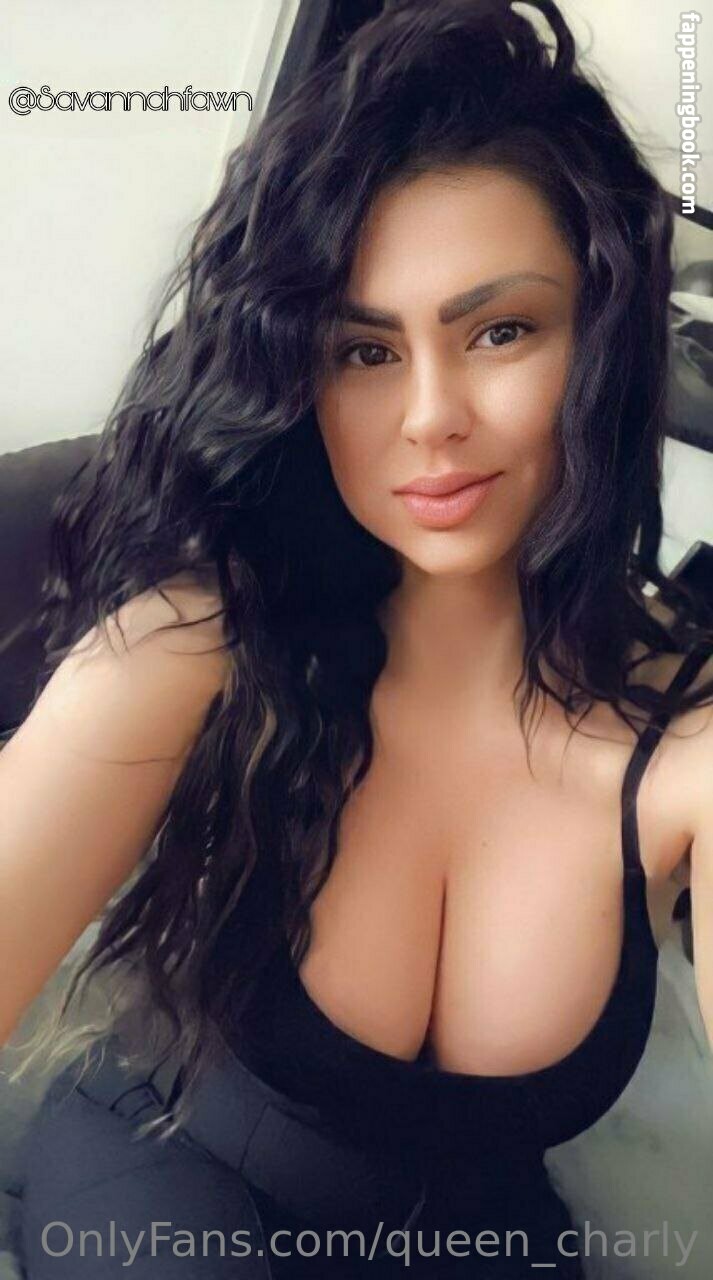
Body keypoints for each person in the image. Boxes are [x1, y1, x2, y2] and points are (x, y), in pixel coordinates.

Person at [2, 0, 713, 1275]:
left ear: (602, 341)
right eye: (363, 349)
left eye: (499, 330)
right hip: (167, 1165)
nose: (429, 415)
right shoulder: (195, 646)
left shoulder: (687, 747)